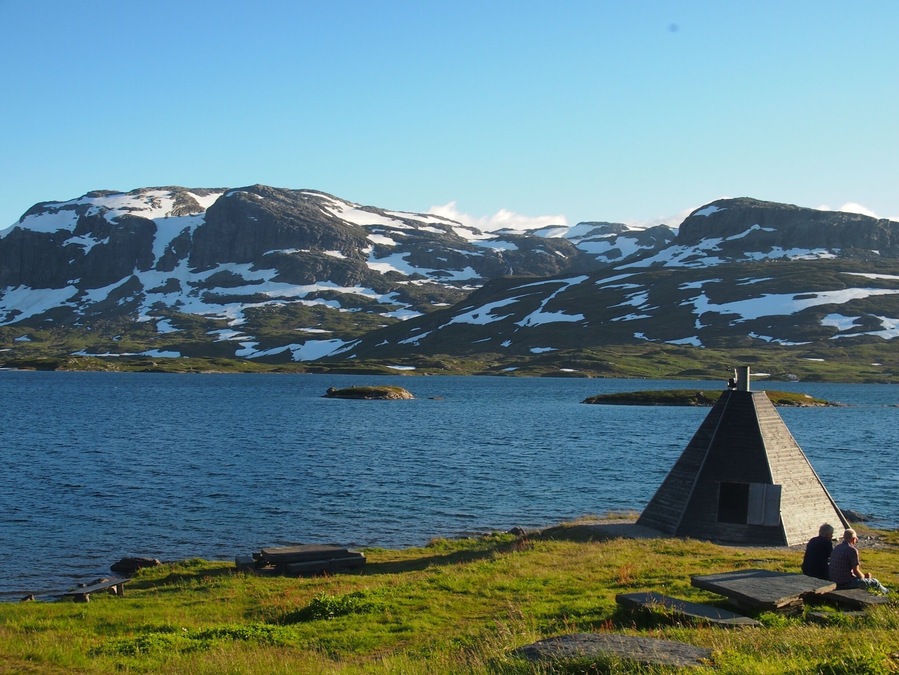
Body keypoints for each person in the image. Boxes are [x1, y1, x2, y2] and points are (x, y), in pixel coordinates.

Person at [828, 528, 890, 594]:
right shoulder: (852, 550)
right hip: (845, 583)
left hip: (834, 580)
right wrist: (864, 578)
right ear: (853, 539)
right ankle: (887, 592)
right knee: (875, 582)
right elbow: (856, 571)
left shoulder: (837, 547)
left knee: (865, 579)